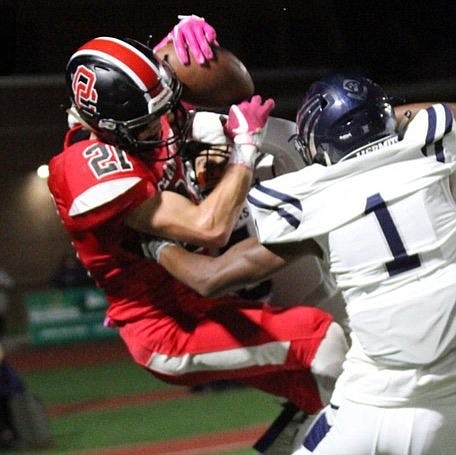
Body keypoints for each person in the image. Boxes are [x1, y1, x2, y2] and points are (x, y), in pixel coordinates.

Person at [47, 16, 348, 446]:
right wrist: (244, 150)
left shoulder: (141, 106)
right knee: (326, 343)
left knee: (323, 393)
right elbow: (209, 228)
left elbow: (236, 86)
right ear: (110, 130)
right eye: (149, 124)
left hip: (208, 301)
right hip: (167, 328)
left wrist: (195, 48)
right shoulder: (85, 167)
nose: (165, 124)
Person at [149, 73, 456, 454]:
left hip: (372, 402)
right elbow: (437, 114)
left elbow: (210, 277)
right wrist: (379, 116)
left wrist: (155, 245)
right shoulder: (434, 156)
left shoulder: (311, 204)